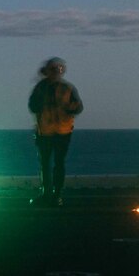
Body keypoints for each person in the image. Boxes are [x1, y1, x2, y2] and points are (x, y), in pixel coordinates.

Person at [28, 57, 83, 206]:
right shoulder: (46, 88)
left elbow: (78, 107)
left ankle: (54, 194)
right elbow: (33, 106)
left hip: (58, 131)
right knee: (49, 164)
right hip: (50, 131)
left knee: (54, 163)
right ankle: (50, 194)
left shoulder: (64, 88)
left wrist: (70, 108)